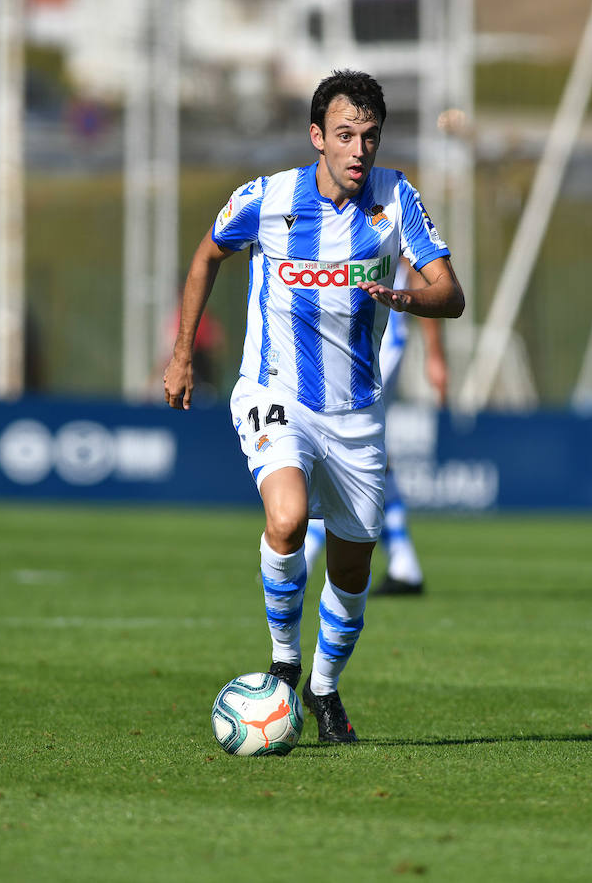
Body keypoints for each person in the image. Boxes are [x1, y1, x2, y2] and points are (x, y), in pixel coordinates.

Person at [162, 70, 465, 743]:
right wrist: (182, 354)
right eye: (345, 135)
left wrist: (406, 297)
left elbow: (451, 292)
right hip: (276, 392)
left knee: (353, 570)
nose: (359, 150)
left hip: (356, 413)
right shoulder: (268, 199)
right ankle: (285, 661)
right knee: (289, 517)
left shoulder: (396, 198)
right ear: (317, 138)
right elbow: (208, 255)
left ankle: (325, 691)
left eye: (370, 137)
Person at [302, 258, 448, 596]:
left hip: (379, 341)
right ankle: (404, 563)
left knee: (344, 442)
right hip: (350, 340)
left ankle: (307, 551)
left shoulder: (389, 205)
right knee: (369, 451)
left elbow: (419, 267)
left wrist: (435, 354)